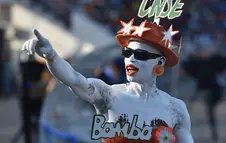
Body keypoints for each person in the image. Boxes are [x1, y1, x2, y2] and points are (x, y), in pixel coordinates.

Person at [21, 8, 193, 143]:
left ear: (160, 63)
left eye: (140, 54)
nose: (131, 60)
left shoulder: (175, 108)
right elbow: (72, 78)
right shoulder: (109, 94)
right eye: (127, 53)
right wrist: (51, 56)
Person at [182, 49, 226, 141]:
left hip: (209, 89)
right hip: (204, 88)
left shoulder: (211, 61)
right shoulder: (200, 62)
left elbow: (225, 62)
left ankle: (213, 133)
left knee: (209, 112)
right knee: (193, 110)